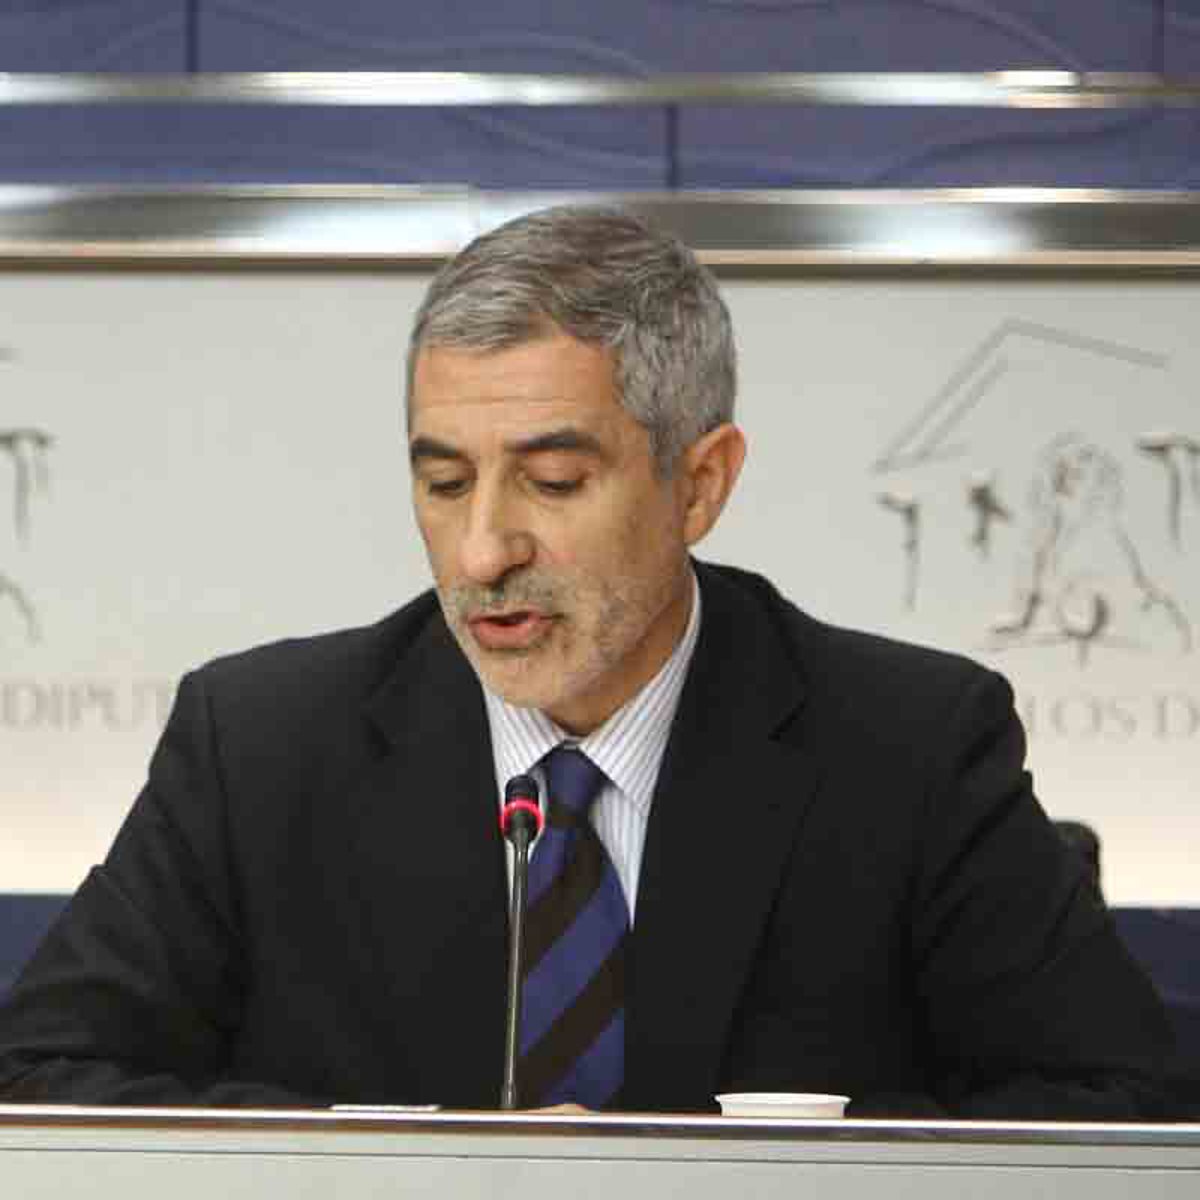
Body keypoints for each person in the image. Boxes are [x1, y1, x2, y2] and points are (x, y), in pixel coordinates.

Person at [0, 206, 1174, 1116]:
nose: (483, 551)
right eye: (443, 481)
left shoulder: (909, 748)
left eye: (554, 482)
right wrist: (393, 1161)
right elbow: (42, 1079)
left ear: (700, 483)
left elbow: (1118, 1107)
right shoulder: (258, 746)